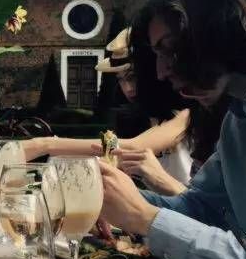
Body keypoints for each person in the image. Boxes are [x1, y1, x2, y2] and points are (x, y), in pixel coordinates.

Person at [99, 0, 246, 259]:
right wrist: (115, 198)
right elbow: (202, 209)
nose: (161, 72)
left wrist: (144, 218)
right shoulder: (237, 120)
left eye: (168, 48)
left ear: (220, 28)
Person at [23, 28, 194, 195]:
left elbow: (135, 147)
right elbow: (111, 156)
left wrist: (46, 144)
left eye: (132, 77)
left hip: (188, 208)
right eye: (121, 80)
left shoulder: (184, 115)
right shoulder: (134, 119)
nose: (128, 88)